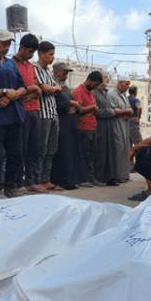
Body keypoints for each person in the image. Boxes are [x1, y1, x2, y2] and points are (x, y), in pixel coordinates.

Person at [0, 29, 27, 198]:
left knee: (16, 153)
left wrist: (13, 95)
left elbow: (23, 86)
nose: (7, 46)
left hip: (15, 114)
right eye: (3, 43)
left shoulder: (11, 64)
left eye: (9, 43)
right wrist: (5, 92)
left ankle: (11, 186)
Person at [13, 34, 44, 194]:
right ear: (22, 48)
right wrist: (32, 89)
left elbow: (37, 88)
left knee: (34, 149)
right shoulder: (12, 64)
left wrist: (33, 90)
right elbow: (18, 90)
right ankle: (18, 182)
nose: (31, 55)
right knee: (21, 150)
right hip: (21, 112)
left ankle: (30, 182)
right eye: (29, 51)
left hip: (35, 111)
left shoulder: (31, 66)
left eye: (33, 52)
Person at [50, 62, 88, 190]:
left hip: (70, 124)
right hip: (60, 123)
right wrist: (70, 103)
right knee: (62, 152)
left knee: (72, 151)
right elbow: (55, 104)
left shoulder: (65, 88)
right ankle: (61, 181)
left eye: (66, 72)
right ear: (55, 72)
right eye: (63, 72)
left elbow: (74, 103)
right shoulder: (52, 86)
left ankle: (71, 180)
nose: (66, 75)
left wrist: (75, 105)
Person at [34, 41, 63, 192]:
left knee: (52, 149)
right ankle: (38, 180)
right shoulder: (36, 68)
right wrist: (53, 88)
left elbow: (57, 87)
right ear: (41, 54)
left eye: (53, 54)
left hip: (53, 113)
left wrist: (54, 88)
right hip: (43, 114)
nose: (52, 58)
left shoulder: (47, 71)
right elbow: (47, 89)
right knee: (41, 149)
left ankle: (46, 180)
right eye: (50, 55)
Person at [93, 73, 129, 186]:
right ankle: (100, 178)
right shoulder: (95, 93)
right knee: (102, 153)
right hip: (101, 125)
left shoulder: (104, 93)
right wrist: (111, 112)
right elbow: (97, 111)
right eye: (104, 77)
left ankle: (111, 177)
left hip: (109, 125)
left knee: (110, 152)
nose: (107, 79)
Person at [73, 71, 102, 187]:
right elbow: (78, 109)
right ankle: (81, 179)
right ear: (89, 80)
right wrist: (92, 108)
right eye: (94, 84)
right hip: (82, 128)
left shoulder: (92, 93)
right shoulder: (78, 91)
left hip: (92, 127)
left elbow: (92, 109)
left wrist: (93, 109)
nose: (95, 87)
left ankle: (90, 178)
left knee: (92, 154)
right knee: (83, 154)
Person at [107, 77, 133, 182]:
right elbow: (112, 110)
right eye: (126, 84)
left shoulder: (124, 95)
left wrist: (127, 112)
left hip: (124, 125)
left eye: (128, 85)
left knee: (125, 148)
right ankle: (118, 175)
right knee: (119, 148)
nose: (128, 87)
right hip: (116, 125)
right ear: (119, 83)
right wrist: (125, 111)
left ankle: (124, 174)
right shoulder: (111, 94)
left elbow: (129, 109)